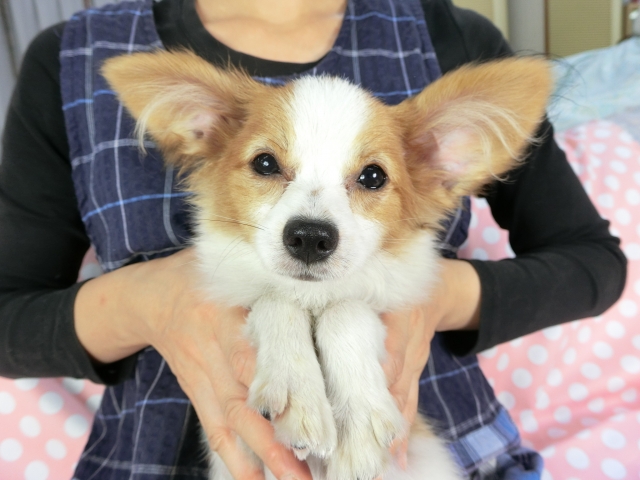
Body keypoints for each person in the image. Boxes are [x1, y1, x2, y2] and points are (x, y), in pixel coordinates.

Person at [0, 0, 626, 478]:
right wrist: (151, 301)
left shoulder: (453, 35)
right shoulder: (74, 54)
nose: (313, 225)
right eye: (267, 164)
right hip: (148, 460)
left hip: (436, 452)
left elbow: (594, 263)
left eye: (370, 177)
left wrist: (431, 299)